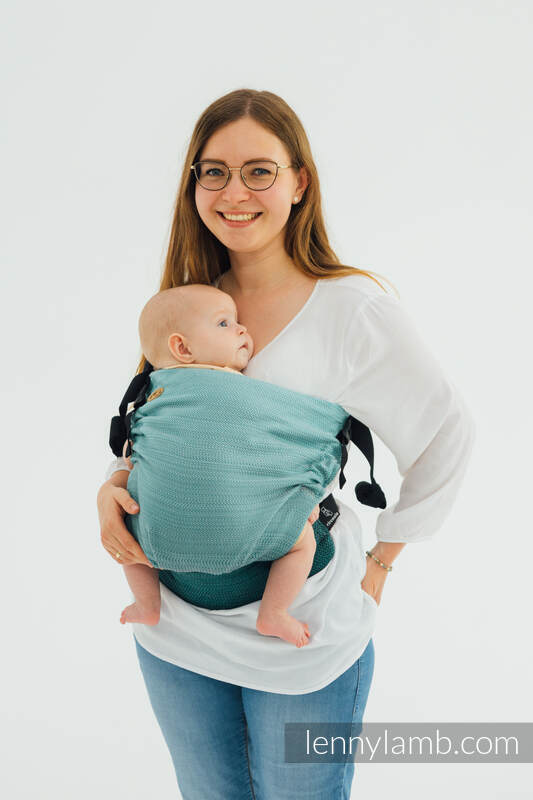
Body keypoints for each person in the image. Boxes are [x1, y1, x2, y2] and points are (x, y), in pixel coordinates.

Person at [97, 88, 475, 798]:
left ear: (300, 182)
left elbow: (445, 432)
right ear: (193, 185)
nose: (234, 192)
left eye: (259, 171)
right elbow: (161, 438)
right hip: (177, 628)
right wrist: (108, 493)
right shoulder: (190, 304)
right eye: (214, 172)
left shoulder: (351, 309)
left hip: (302, 632)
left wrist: (381, 562)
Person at [119, 283, 320, 649]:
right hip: (245, 529)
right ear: (182, 348)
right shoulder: (242, 390)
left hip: (155, 538)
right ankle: (274, 613)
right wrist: (305, 494)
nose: (242, 329)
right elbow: (273, 450)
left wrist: (116, 484)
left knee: (126, 541)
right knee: (301, 543)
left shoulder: (151, 396)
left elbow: (136, 454)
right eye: (225, 323)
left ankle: (147, 604)